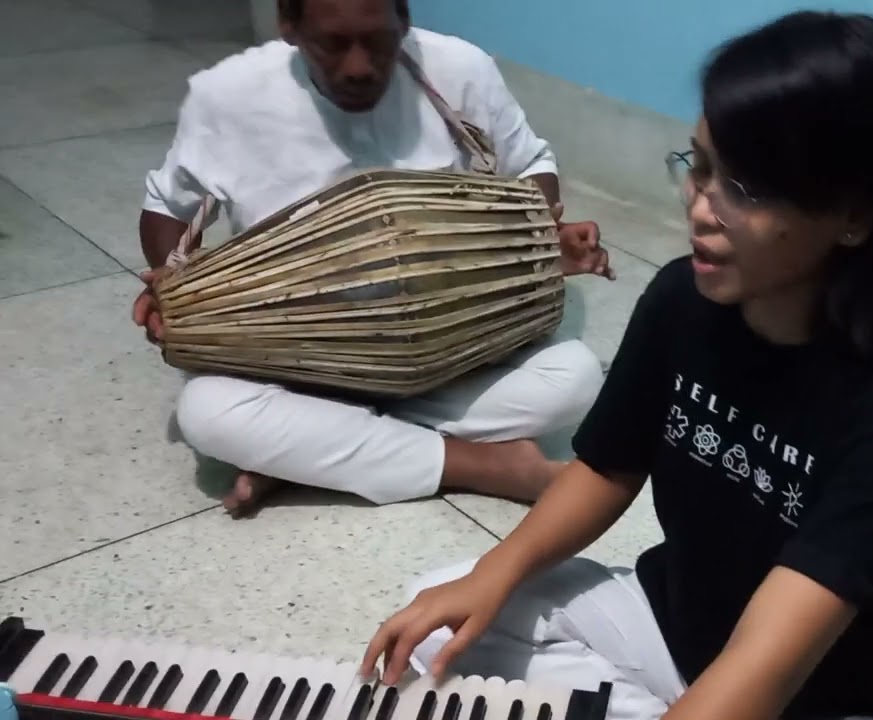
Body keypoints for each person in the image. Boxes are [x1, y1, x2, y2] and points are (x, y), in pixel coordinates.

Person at [360, 10, 873, 720]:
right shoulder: (685, 297)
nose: (699, 208)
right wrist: (493, 576)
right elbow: (606, 467)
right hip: (682, 628)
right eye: (701, 166)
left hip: (826, 692)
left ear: (852, 215)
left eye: (745, 189)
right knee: (440, 624)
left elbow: (765, 670)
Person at [130, 0, 614, 515]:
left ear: (403, 22)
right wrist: (174, 288)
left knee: (575, 378)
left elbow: (531, 164)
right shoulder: (231, 95)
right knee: (205, 414)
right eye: (333, 44)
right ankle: (483, 465)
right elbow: (166, 205)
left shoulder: (459, 69)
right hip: (297, 359)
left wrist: (539, 235)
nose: (359, 67)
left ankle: (311, 450)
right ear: (289, 27)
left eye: (379, 41)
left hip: (445, 351)